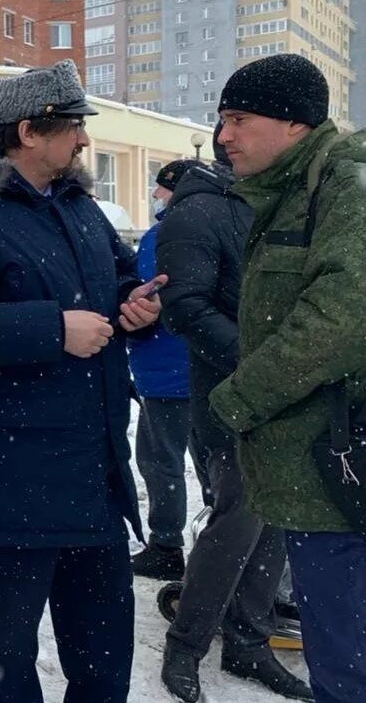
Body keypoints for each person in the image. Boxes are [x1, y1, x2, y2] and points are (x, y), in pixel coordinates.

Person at [0, 60, 164, 703]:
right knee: (5, 664)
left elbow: (119, 274)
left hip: (93, 479)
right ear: (28, 130)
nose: (83, 141)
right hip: (8, 487)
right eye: (73, 127)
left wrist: (135, 302)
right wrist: (53, 328)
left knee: (103, 665)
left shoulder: (79, 207)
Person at [206, 54, 366, 703]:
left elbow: (339, 316)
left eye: (238, 119)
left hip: (340, 477)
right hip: (318, 473)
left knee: (346, 669)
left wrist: (240, 397)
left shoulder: (343, 187)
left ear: (295, 124)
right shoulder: (293, 191)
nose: (224, 136)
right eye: (220, 120)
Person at [156, 122, 311, 701]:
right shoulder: (197, 213)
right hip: (231, 400)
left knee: (275, 522)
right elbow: (187, 310)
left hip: (285, 397)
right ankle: (186, 644)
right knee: (237, 523)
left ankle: (249, 644)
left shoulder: (271, 203)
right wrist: (263, 362)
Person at [129, 159, 209, 582]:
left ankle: (165, 545)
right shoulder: (220, 227)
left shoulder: (164, 238)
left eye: (162, 188)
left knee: (161, 461)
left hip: (166, 370)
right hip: (208, 367)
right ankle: (223, 543)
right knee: (216, 464)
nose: (157, 195)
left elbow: (144, 299)